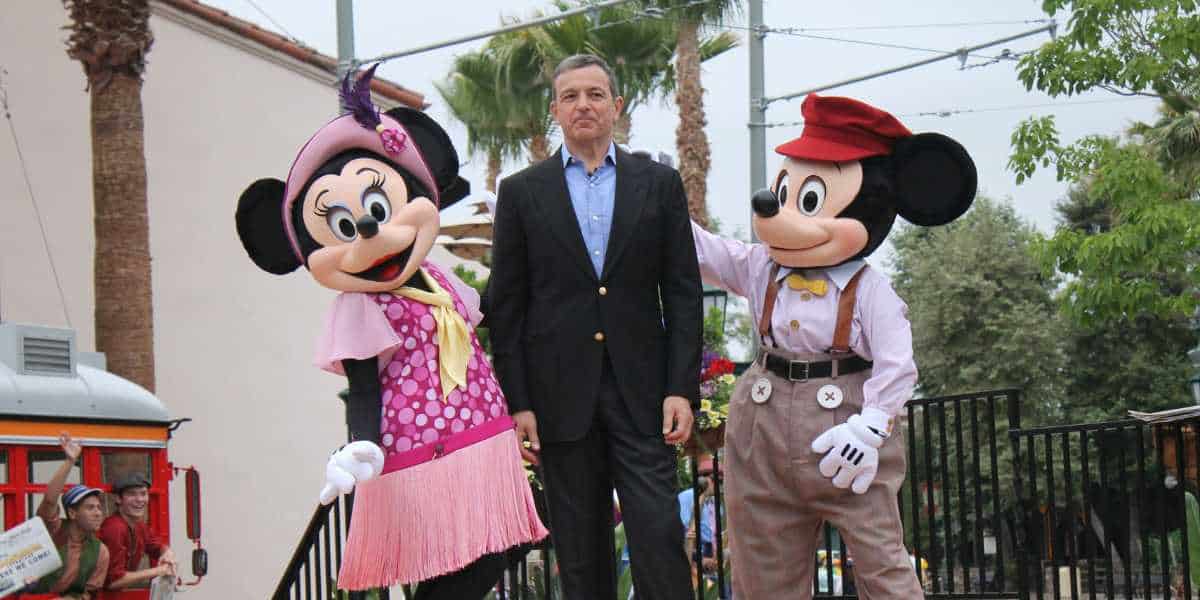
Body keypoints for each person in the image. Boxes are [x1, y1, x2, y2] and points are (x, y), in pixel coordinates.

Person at [233, 66, 546, 596]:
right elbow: (364, 385)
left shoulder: (441, 279)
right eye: (347, 227)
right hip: (420, 451)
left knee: (507, 540)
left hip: (481, 438)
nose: (374, 233)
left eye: (377, 209)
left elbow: (488, 311)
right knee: (446, 563)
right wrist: (362, 445)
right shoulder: (358, 306)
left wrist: (516, 247)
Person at [691, 94, 976, 599]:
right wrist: (655, 198)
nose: (778, 215)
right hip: (763, 425)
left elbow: (898, 365)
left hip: (845, 427)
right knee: (762, 568)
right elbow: (707, 252)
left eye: (809, 199)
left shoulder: (870, 289)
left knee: (881, 561)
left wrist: (871, 427)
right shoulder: (763, 267)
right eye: (785, 195)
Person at [488, 53, 703, 600]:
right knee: (581, 555)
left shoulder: (659, 184)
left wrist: (681, 387)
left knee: (657, 534)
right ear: (555, 110)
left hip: (644, 394)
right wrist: (520, 403)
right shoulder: (520, 192)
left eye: (595, 94)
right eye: (570, 96)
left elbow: (681, 293)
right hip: (560, 399)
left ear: (616, 106)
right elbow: (507, 307)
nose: (583, 105)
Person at [24, 433, 110, 599]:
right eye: (90, 508)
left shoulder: (101, 551)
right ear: (72, 513)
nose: (98, 513)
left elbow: (90, 593)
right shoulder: (54, 530)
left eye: (99, 507)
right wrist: (70, 462)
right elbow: (49, 501)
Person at [98, 472, 177, 589]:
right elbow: (113, 582)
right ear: (118, 499)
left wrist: (167, 553)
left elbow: (157, 546)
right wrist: (158, 571)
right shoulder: (115, 528)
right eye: (132, 494)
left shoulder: (139, 526)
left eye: (143, 494)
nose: (140, 499)